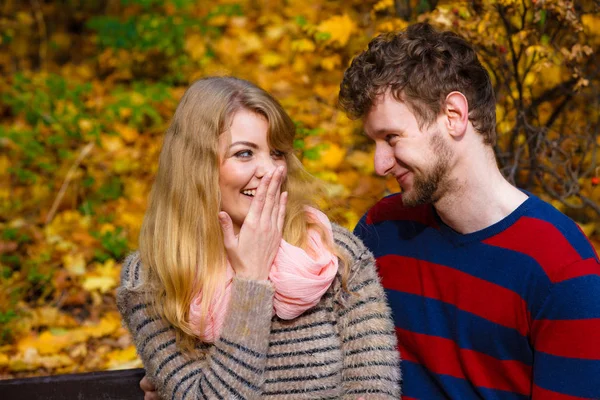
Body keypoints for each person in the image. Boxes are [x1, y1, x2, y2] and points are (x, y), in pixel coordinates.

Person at [338, 22, 600, 399]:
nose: (380, 164)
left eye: (391, 138)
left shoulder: (560, 268)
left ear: (454, 115)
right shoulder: (383, 229)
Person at [117, 76, 401, 400]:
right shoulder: (152, 278)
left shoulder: (335, 254)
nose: (270, 170)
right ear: (198, 166)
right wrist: (251, 283)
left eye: (277, 152)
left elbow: (373, 391)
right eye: (244, 154)